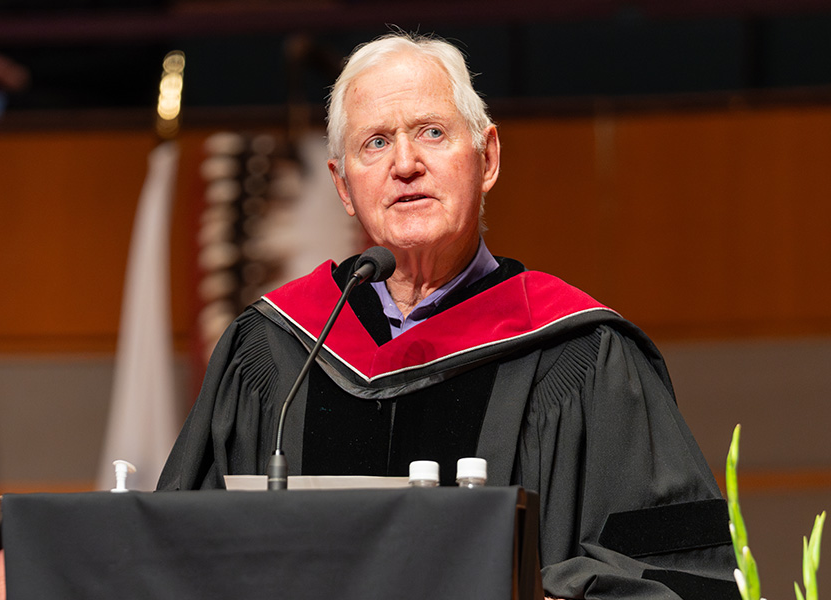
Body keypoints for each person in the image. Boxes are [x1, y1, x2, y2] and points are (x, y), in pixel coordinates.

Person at [157, 32, 739, 600]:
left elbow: (671, 577)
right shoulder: (274, 351)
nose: (405, 163)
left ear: (487, 158)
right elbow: (176, 557)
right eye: (375, 143)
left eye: (431, 133)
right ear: (342, 185)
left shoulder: (582, 356)